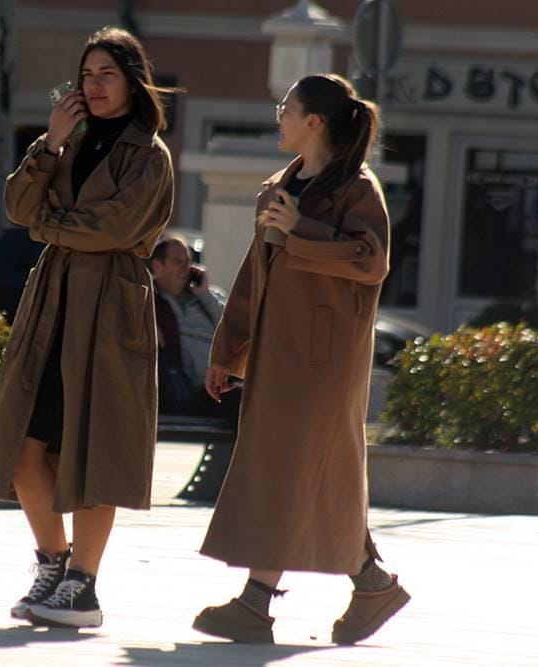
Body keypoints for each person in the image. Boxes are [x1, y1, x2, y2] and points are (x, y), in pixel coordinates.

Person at [0, 27, 175, 629]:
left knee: (95, 451)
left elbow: (112, 229)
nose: (95, 85)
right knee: (24, 450)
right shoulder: (67, 141)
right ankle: (54, 563)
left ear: (133, 82)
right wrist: (51, 143)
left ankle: (83, 588)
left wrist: (48, 225)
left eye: (107, 74)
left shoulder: (150, 156)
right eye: (87, 75)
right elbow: (18, 206)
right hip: (53, 303)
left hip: (111, 307)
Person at [191, 74, 408, 645]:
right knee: (314, 474)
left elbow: (371, 260)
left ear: (313, 121)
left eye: (286, 108)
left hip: (326, 360)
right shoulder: (278, 188)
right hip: (276, 355)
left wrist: (301, 231)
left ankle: (256, 601)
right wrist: (227, 352)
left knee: (289, 469)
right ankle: (372, 583)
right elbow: (253, 277)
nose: (279, 116)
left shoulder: (358, 188)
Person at [149, 234, 240, 423]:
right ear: (157, 266)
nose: (185, 268)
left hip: (221, 384)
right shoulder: (149, 302)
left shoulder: (207, 297)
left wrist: (205, 295)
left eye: (188, 261)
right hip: (183, 389)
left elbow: (235, 331)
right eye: (177, 261)